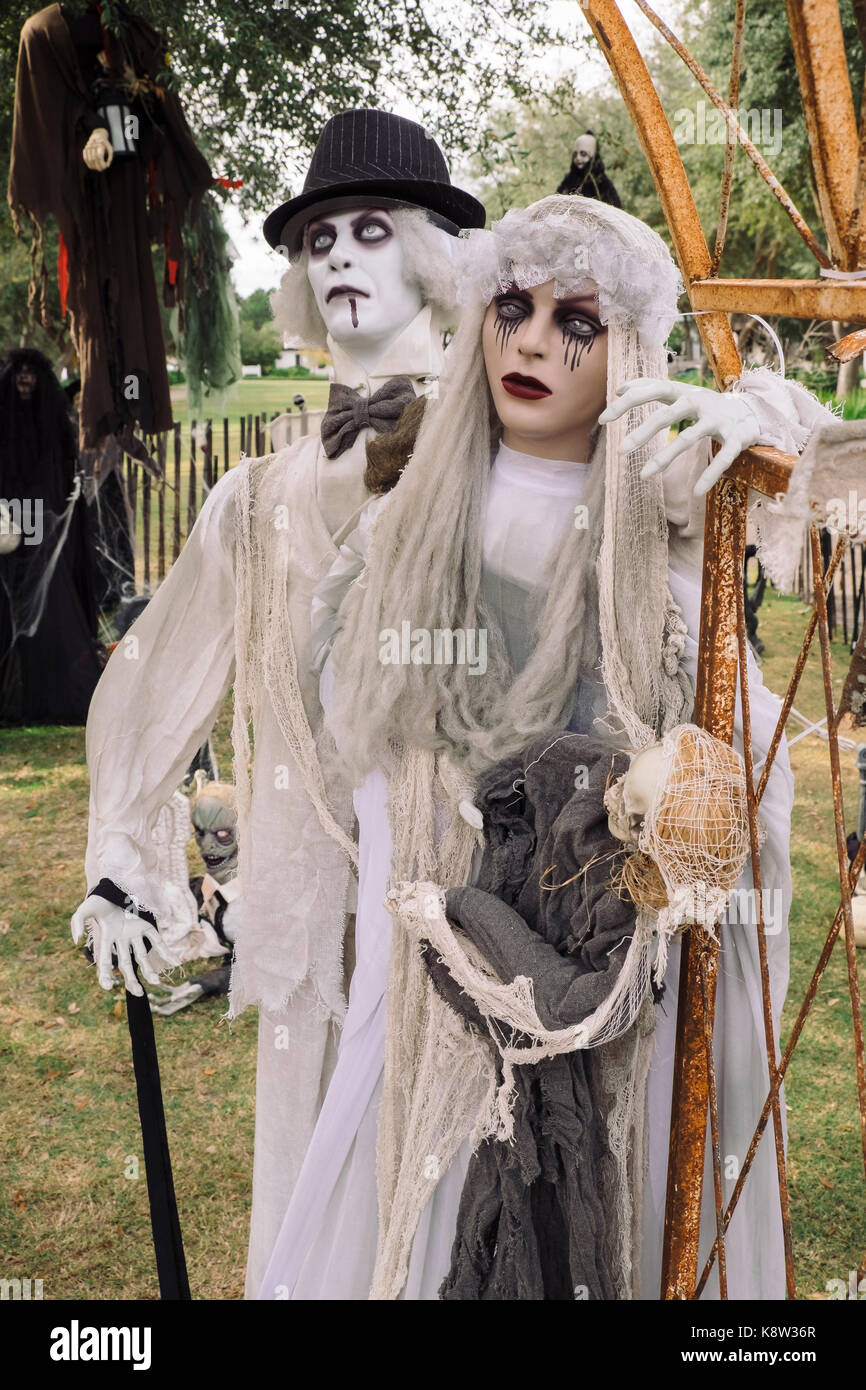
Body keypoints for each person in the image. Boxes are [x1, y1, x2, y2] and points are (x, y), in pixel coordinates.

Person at [268, 194, 830, 1299]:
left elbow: (744, 768)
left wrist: (758, 409)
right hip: (443, 958)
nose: (529, 341)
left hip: (618, 972)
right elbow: (352, 730)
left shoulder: (664, 516)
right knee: (428, 1205)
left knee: (612, 1205)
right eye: (510, 307)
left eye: (575, 319)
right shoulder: (408, 525)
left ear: (627, 345)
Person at [70, 108, 486, 1296]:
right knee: (314, 1153)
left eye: (368, 229)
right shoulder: (251, 500)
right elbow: (161, 671)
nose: (339, 257)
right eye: (317, 240)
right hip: (310, 882)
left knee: (463, 1166)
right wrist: (121, 848)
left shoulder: (506, 437)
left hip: (467, 881)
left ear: (432, 251)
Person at [0, 347, 100, 724]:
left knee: (43, 600)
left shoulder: (53, 421)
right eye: (18, 372)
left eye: (31, 373)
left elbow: (60, 472)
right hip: (8, 519)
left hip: (40, 518)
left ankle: (44, 690)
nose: (24, 379)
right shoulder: (5, 417)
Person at [557, 131, 622, 206]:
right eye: (575, 154)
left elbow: (615, 209)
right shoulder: (569, 180)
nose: (578, 158)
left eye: (583, 154)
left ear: (593, 157)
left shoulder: (603, 184)